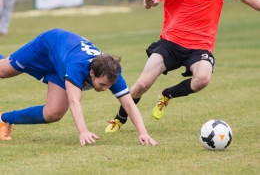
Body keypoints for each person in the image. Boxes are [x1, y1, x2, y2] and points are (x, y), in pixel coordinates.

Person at [105, 0, 260, 132]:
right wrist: (149, 2)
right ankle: (120, 118)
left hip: (200, 46)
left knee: (202, 79)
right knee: (142, 84)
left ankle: (167, 95)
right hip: (170, 44)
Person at [0, 28, 157, 146]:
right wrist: (83, 131)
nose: (105, 89)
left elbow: (129, 104)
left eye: (108, 86)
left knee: (53, 113)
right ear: (91, 72)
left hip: (62, 60)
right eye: (102, 84)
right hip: (47, 46)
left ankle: (3, 119)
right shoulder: (77, 67)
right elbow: (74, 101)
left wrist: (143, 133)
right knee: (3, 71)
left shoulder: (113, 73)